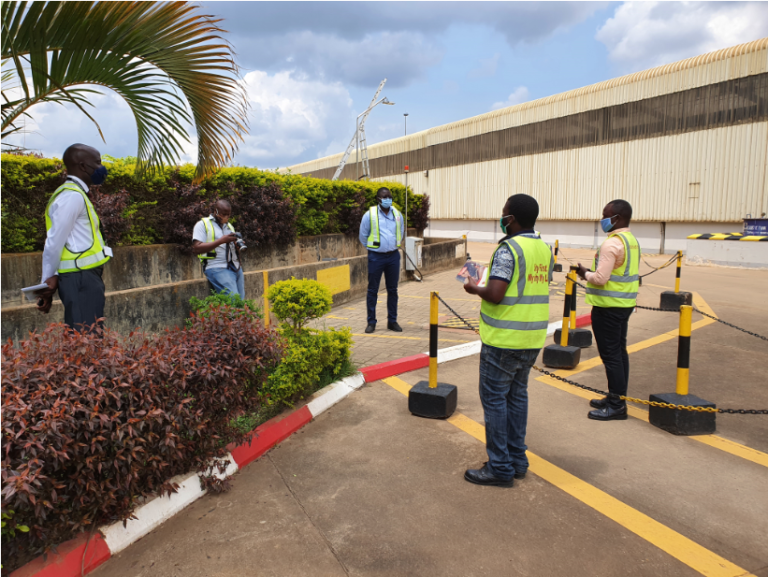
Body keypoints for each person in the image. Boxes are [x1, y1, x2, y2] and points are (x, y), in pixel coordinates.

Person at [463, 194, 553, 487]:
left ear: (511, 219)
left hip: (503, 340)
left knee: (495, 403)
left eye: (504, 214)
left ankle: (500, 467)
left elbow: (496, 293)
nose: (502, 218)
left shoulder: (508, 249)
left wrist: (475, 287)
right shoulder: (543, 248)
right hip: (532, 338)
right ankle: (517, 460)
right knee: (517, 398)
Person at [36, 144, 113, 330]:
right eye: (97, 163)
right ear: (83, 166)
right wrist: (47, 281)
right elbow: (54, 242)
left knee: (89, 337)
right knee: (86, 339)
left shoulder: (77, 194)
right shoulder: (71, 197)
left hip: (84, 277)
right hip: (80, 279)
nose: (101, 168)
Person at [576, 199, 640, 422]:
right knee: (619, 353)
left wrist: (584, 273)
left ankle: (616, 405)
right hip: (624, 306)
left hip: (608, 309)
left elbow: (601, 278)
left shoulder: (611, 244)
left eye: (606, 215)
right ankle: (616, 397)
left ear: (618, 218)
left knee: (611, 356)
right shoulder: (631, 240)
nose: (603, 219)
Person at [359, 187, 405, 333]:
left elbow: (401, 232)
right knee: (372, 290)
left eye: (389, 196)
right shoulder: (369, 215)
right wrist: (374, 249)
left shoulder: (397, 214)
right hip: (376, 257)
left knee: (393, 290)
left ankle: (392, 321)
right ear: (378, 199)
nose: (388, 199)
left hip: (393, 256)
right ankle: (371, 322)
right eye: (384, 197)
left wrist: (392, 246)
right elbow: (363, 235)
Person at [192, 199, 245, 299]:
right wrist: (220, 241)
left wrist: (237, 247)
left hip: (235, 267)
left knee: (241, 302)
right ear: (215, 211)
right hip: (216, 267)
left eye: (228, 215)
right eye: (223, 214)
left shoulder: (229, 226)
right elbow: (196, 248)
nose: (226, 217)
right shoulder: (202, 224)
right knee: (234, 300)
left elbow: (230, 250)